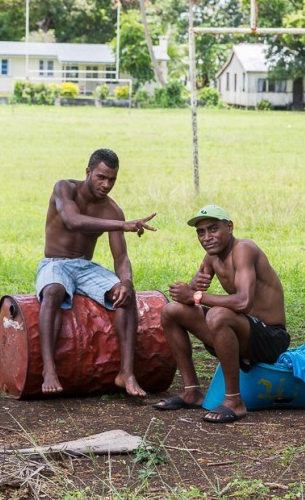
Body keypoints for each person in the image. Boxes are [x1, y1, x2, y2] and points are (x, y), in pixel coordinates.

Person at [36, 148, 157, 396]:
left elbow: (120, 257)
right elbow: (73, 220)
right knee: (53, 291)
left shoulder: (111, 210)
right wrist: (123, 225)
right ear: (88, 172)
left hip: (84, 266)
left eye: (112, 179)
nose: (106, 184)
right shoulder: (64, 188)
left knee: (126, 296)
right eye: (101, 177)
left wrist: (126, 282)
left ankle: (126, 373)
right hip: (55, 263)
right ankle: (48, 369)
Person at [154, 205, 290, 423]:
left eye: (213, 229)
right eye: (201, 232)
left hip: (271, 338)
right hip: (242, 332)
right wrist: (192, 286)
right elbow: (189, 298)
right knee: (171, 311)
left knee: (217, 315)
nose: (207, 237)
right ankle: (192, 392)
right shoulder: (211, 257)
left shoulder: (244, 249)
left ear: (229, 227)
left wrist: (195, 295)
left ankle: (234, 401)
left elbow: (243, 302)